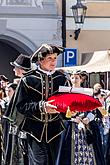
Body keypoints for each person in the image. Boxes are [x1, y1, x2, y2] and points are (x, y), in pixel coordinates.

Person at [5, 44, 71, 165]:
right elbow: (21, 106)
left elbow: (67, 103)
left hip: (55, 130)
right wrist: (42, 107)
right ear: (40, 60)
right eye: (49, 58)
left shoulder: (62, 79)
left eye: (55, 58)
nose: (53, 62)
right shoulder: (28, 80)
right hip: (34, 131)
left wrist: (70, 111)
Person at [59, 71, 105, 165]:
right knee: (69, 152)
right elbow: (63, 111)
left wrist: (88, 118)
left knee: (90, 151)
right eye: (72, 78)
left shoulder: (88, 92)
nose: (74, 80)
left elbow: (93, 109)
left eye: (76, 78)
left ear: (81, 79)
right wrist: (72, 118)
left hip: (87, 126)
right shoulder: (67, 93)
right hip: (71, 127)